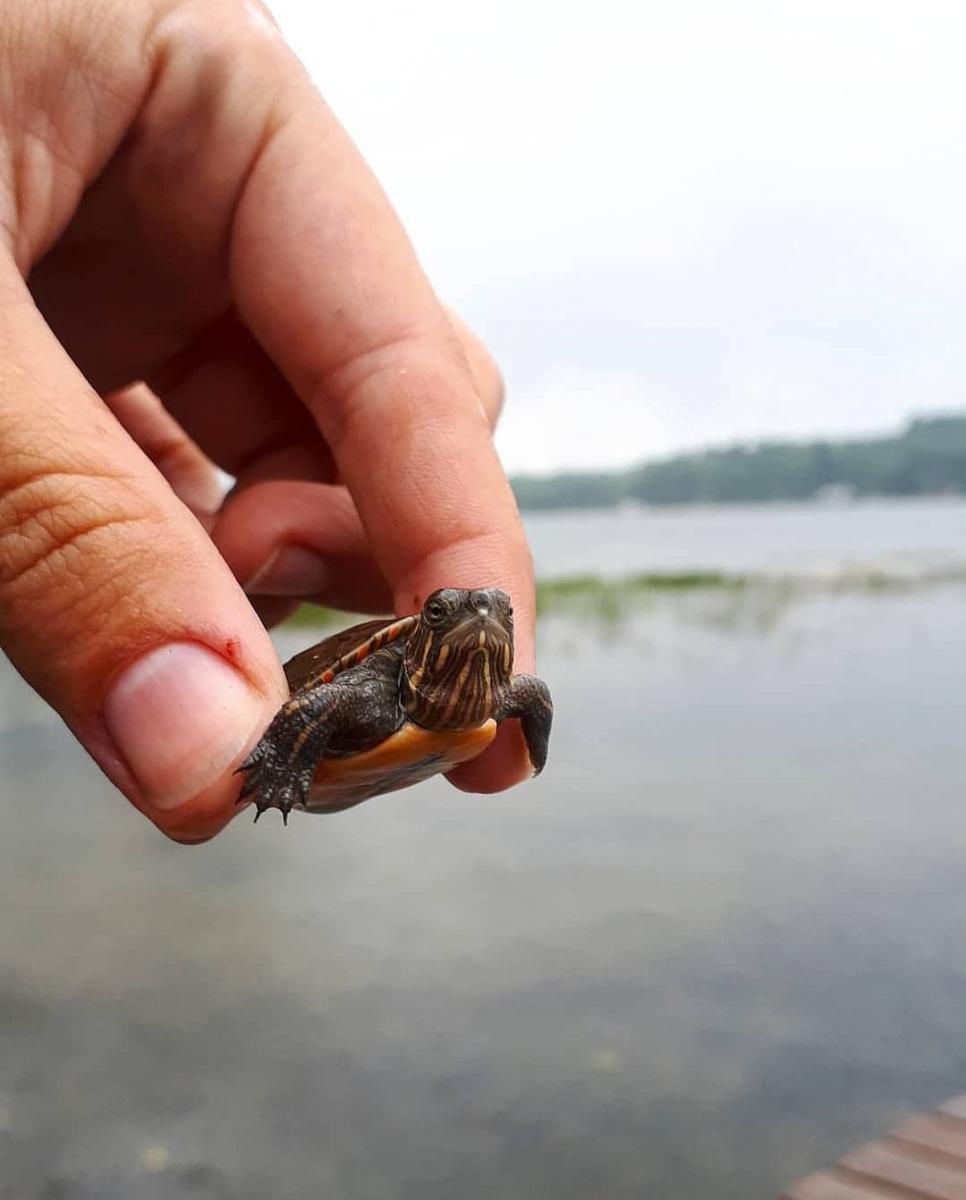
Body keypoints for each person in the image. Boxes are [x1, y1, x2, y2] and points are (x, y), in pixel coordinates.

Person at [0, 0, 536, 842]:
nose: (473, 620)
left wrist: (528, 735)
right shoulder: (375, 693)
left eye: (486, 617)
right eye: (447, 614)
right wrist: (282, 753)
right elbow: (312, 706)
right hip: (328, 730)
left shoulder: (498, 693)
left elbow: (527, 696)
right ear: (425, 633)